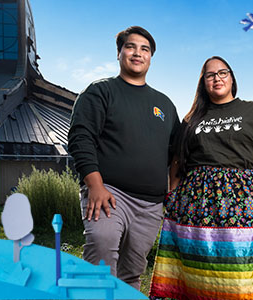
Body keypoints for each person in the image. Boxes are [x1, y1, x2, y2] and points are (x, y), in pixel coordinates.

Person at [149, 56, 253, 299]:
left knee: (242, 274)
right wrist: (172, 197)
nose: (217, 78)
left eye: (223, 73)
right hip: (196, 205)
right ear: (204, 83)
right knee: (198, 270)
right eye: (210, 75)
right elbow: (178, 162)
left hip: (246, 204)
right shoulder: (191, 119)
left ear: (232, 78)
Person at [67, 26, 180, 290]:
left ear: (151, 57)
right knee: (101, 249)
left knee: (132, 272)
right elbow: (81, 139)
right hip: (108, 193)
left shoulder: (164, 104)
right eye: (131, 47)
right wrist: (95, 186)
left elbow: (178, 152)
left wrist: (171, 192)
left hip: (151, 204)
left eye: (145, 49)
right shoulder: (99, 92)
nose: (137, 53)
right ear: (119, 53)